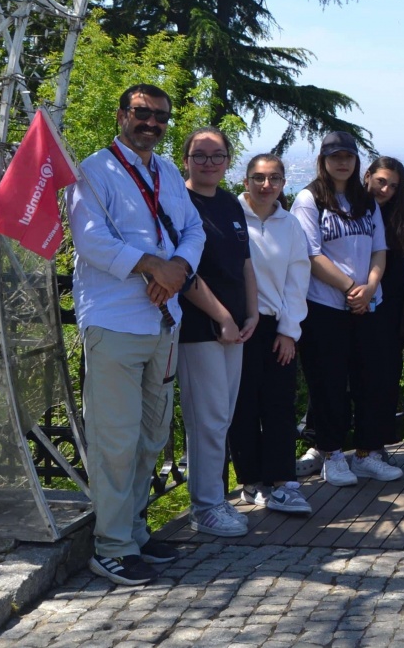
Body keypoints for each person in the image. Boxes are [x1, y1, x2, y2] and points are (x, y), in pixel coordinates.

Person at [67, 84, 204, 586]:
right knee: (116, 440)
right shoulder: (93, 170)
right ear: (122, 114)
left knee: (151, 436)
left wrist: (177, 270)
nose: (152, 123)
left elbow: (194, 228)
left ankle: (136, 529)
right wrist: (151, 267)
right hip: (115, 321)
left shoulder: (167, 170)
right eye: (142, 113)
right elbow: (91, 240)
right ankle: (112, 546)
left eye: (160, 116)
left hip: (163, 322)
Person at [292, 131, 403, 487]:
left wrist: (369, 288)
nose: (342, 162)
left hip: (367, 304)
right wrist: (350, 288)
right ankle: (332, 454)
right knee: (329, 382)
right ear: (323, 159)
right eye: (335, 156)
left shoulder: (364, 200)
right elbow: (311, 254)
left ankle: (368, 453)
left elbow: (379, 250)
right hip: (326, 306)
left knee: (370, 379)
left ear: (357, 162)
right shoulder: (309, 199)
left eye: (349, 157)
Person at [177, 128, 258, 538]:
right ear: (186, 158)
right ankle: (205, 505)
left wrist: (252, 311)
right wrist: (222, 316)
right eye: (200, 155)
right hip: (199, 327)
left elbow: (245, 263)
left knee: (222, 416)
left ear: (228, 161)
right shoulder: (179, 202)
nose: (209, 163)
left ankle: (215, 499)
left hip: (236, 326)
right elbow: (182, 271)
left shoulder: (229, 202)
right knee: (206, 419)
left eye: (217, 156)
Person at [230, 152, 312, 516]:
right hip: (237, 326)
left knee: (279, 403)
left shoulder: (289, 224)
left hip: (277, 326)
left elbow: (298, 280)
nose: (267, 185)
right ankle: (250, 480)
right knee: (242, 405)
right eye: (259, 178)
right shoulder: (230, 216)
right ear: (246, 180)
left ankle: (282, 482)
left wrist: (289, 331)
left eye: (275, 179)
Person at [366, 157, 404, 454]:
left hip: (390, 312)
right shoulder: (353, 212)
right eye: (381, 181)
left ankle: (378, 444)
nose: (386, 190)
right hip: (355, 304)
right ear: (367, 176)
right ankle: (328, 446)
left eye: (393, 186)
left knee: (385, 377)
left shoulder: (401, 221)